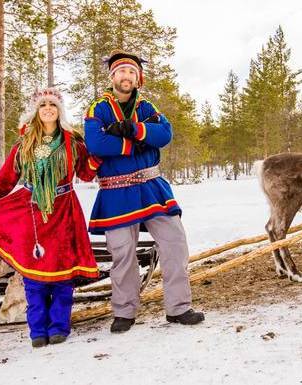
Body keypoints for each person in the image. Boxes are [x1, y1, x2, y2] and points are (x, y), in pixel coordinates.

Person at [0, 88, 100, 347]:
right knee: (34, 274)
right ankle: (37, 329)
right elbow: (5, 180)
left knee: (63, 271)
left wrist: (101, 152)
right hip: (30, 211)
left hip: (64, 210)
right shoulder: (23, 145)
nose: (48, 108)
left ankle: (59, 326)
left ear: (60, 111)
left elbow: (87, 173)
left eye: (53, 105)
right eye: (43, 104)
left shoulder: (73, 144)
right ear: (36, 110)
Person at [84, 49, 204, 333]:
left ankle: (178, 308)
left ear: (139, 79)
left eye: (131, 72)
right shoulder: (97, 108)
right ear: (112, 76)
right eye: (121, 72)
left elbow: (165, 134)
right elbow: (95, 144)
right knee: (123, 253)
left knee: (175, 242)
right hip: (116, 191)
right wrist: (133, 146)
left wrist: (134, 131)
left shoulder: (147, 108)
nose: (126, 76)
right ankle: (124, 312)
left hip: (152, 186)